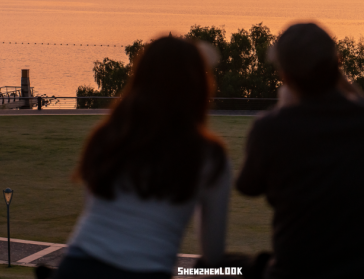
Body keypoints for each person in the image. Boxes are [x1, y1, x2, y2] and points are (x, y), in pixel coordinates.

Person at [236, 23, 364, 279]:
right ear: (338, 63)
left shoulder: (270, 129)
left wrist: (283, 110)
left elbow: (248, 186)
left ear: (284, 76)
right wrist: (347, 87)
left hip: (294, 274)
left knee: (221, 267)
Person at [46, 36, 231, 279]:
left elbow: (94, 209)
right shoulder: (210, 156)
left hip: (77, 266)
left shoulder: (109, 135)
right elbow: (213, 254)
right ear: (199, 84)